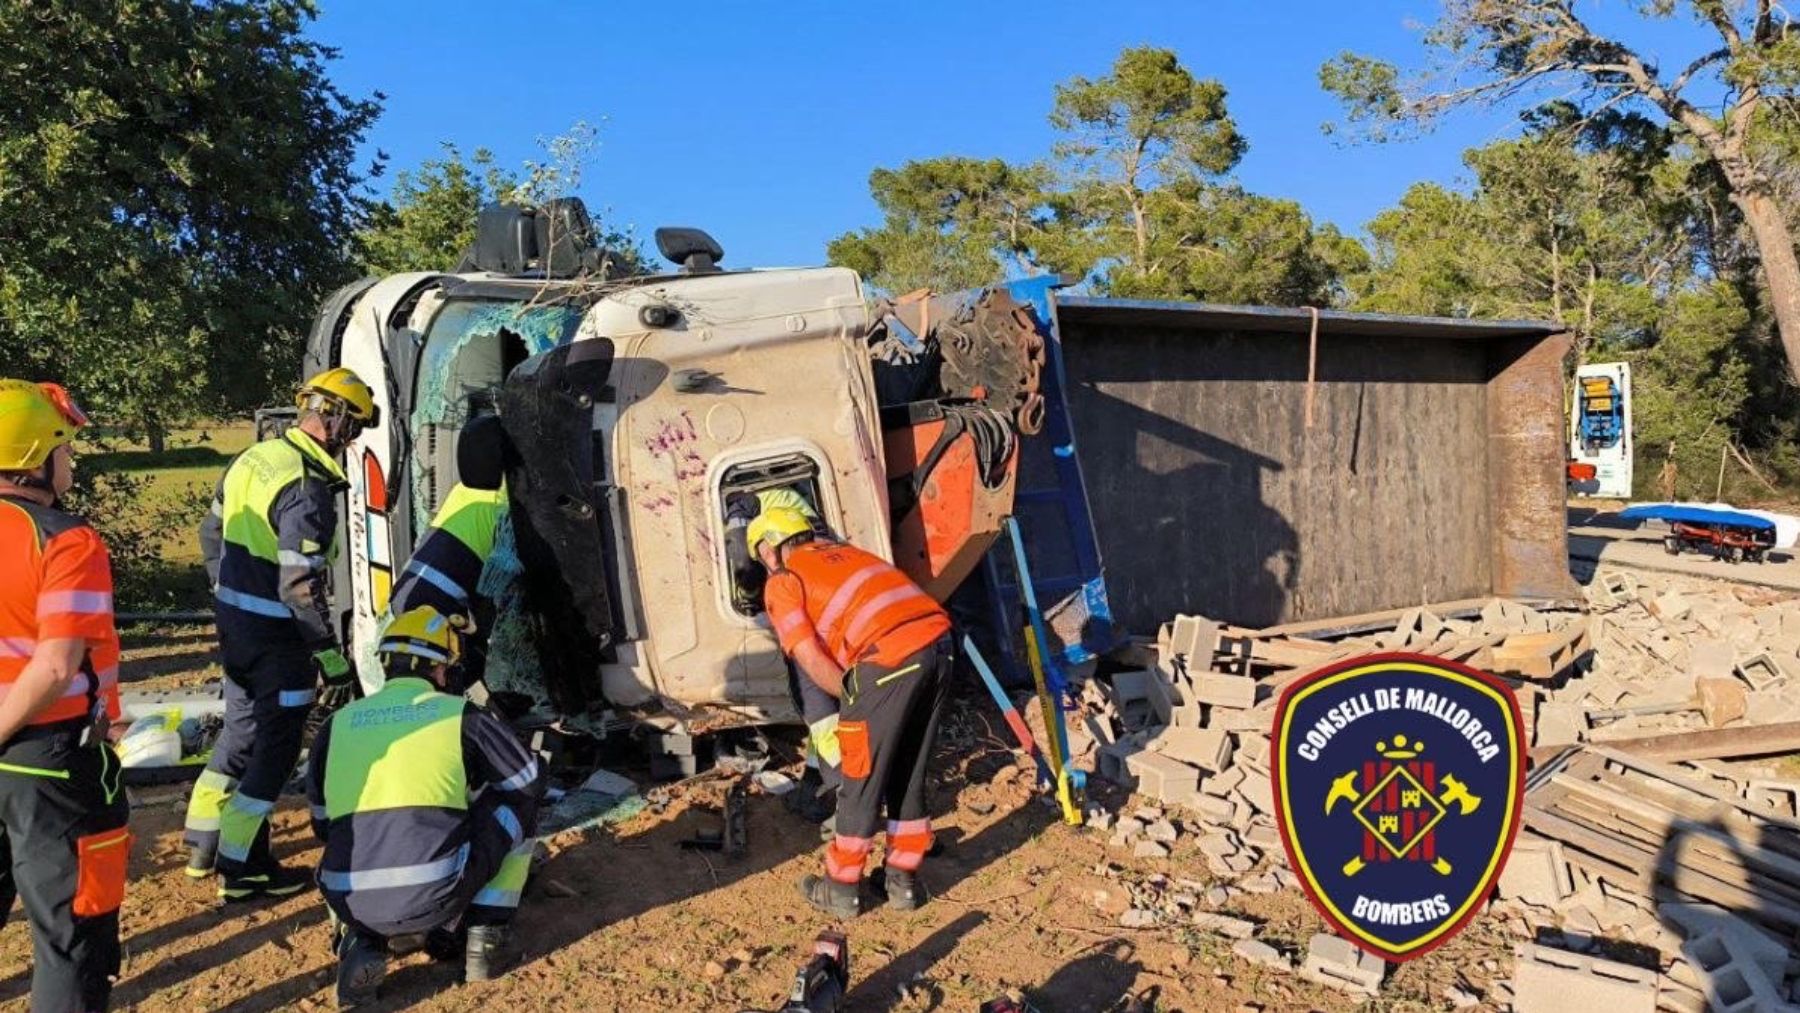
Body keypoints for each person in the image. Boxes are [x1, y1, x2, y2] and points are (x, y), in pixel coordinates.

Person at [184, 368, 377, 900]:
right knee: (277, 746)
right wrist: (329, 656)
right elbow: (299, 585)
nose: (352, 441)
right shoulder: (307, 489)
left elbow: (210, 531)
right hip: (278, 640)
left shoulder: (255, 457)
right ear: (338, 421)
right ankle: (244, 869)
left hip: (236, 629)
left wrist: (226, 589)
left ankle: (201, 845)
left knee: (240, 731)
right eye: (354, 429)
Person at [307, 605, 541, 1008]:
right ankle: (485, 937)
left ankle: (362, 940)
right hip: (439, 893)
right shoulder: (460, 715)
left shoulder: (336, 725)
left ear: (386, 664)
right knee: (518, 805)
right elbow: (527, 781)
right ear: (440, 669)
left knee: (345, 841)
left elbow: (322, 824)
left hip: (351, 899)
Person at [749, 505, 953, 917]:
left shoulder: (784, 580)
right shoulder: (852, 554)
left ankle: (841, 888)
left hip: (887, 661)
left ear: (769, 550)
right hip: (940, 648)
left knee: (859, 781)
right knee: (908, 771)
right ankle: (902, 883)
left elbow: (808, 657)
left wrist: (852, 698)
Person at [0, 379, 131, 1011]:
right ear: (33, 458)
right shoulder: (66, 539)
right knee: (71, 938)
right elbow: (54, 666)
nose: (70, 459)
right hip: (46, 761)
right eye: (63, 447)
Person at [724, 488, 839, 828]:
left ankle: (843, 804)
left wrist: (750, 593)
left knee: (823, 719)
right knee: (826, 724)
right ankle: (815, 790)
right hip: (838, 628)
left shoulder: (742, 510)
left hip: (812, 631)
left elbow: (743, 564)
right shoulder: (792, 505)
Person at [384, 415, 507, 683]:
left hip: (405, 595)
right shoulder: (503, 505)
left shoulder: (461, 493)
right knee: (454, 676)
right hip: (438, 607)